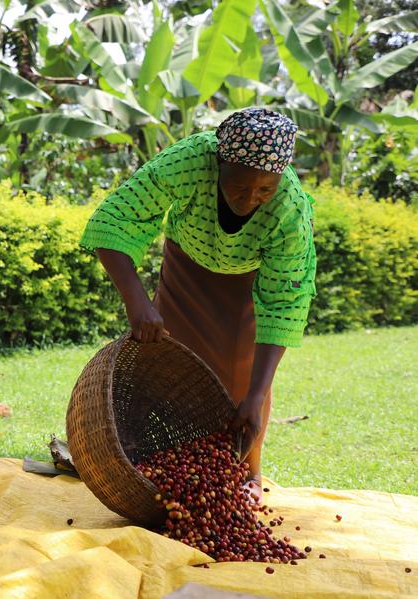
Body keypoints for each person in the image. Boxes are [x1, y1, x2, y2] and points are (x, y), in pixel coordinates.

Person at [80, 108, 316, 502]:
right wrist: (138, 304)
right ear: (220, 162)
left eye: (264, 190)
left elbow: (284, 303)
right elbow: (115, 220)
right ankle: (154, 464)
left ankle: (246, 473)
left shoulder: (289, 208)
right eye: (240, 186)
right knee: (166, 369)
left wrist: (256, 397)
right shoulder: (189, 160)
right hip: (185, 265)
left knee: (242, 382)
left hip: (247, 281)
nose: (251, 199)